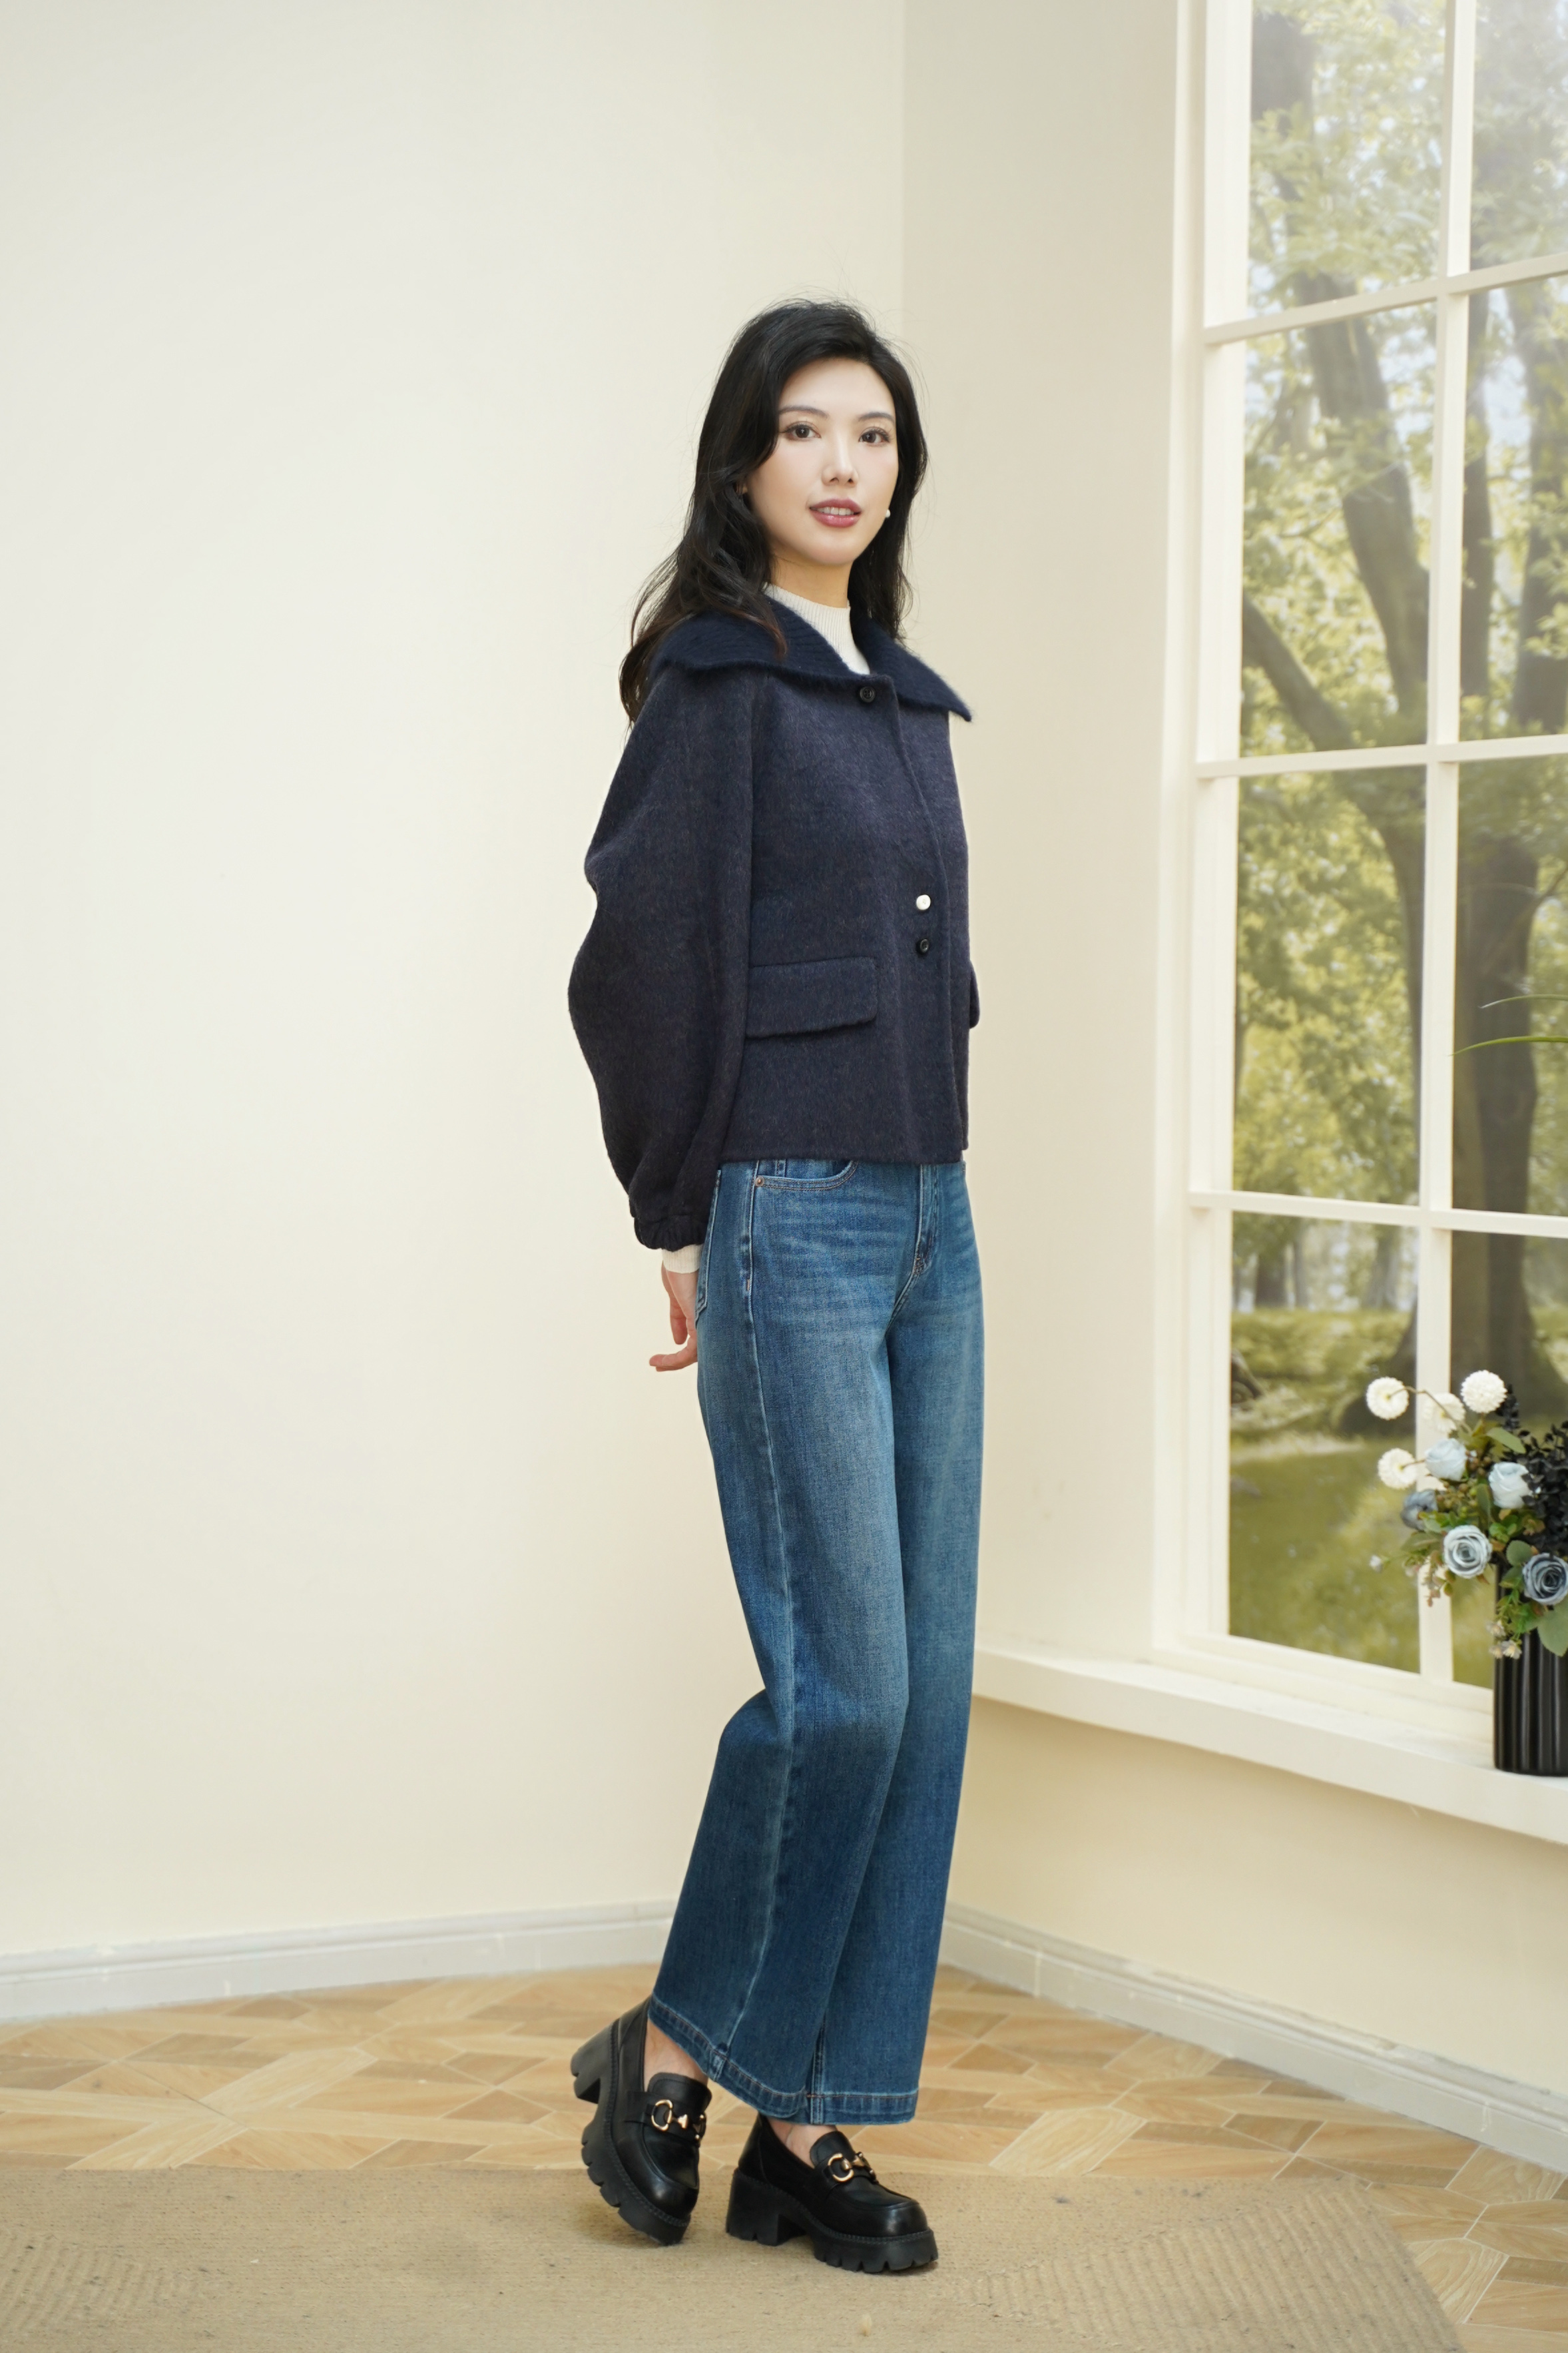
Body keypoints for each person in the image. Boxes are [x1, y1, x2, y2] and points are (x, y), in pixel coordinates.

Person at [567, 300, 983, 2276]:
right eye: (805, 430)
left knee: (923, 1701)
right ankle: (671, 2043)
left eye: (873, 435)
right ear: (743, 463)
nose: (841, 465)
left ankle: (807, 2124)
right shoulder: (719, 682)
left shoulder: (898, 694)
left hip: (931, 1217)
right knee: (845, 1690)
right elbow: (639, 958)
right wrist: (681, 1213)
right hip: (786, 1210)